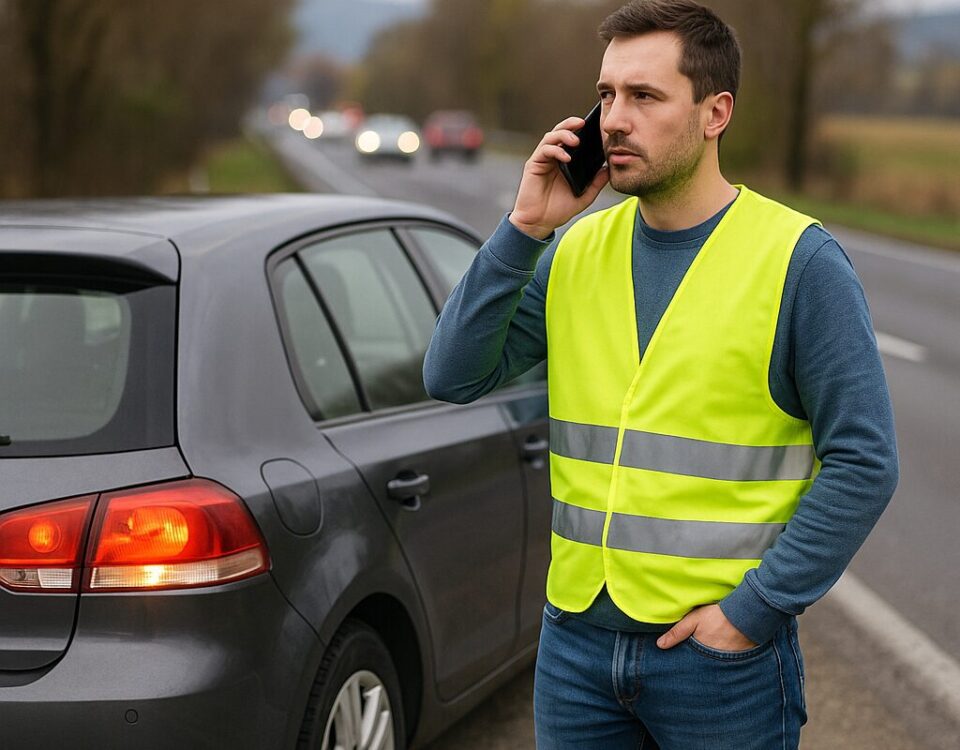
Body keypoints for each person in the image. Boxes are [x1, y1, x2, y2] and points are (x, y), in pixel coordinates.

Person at [423, 1, 899, 747]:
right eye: (606, 95)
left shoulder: (799, 263)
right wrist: (523, 231)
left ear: (716, 113)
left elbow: (865, 461)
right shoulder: (571, 252)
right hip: (574, 649)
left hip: (720, 666)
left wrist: (755, 613)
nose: (614, 119)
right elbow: (451, 375)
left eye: (644, 97)